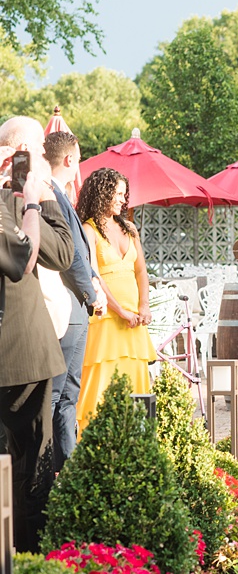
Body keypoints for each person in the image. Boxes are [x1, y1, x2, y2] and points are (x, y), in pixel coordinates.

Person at [0, 116, 74, 552]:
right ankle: (32, 554)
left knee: (17, 461)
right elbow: (41, 255)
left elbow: (61, 252)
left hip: (24, 350)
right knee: (34, 462)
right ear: (19, 149)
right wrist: (37, 199)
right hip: (21, 351)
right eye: (36, 151)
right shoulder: (12, 201)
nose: (42, 159)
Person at [43, 131, 107, 471]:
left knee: (70, 394)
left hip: (78, 308)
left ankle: (67, 469)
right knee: (55, 395)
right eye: (79, 157)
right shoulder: (50, 193)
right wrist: (91, 292)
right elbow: (70, 257)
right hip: (67, 306)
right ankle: (44, 473)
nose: (79, 163)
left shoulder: (62, 194)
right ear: (69, 159)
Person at [76, 168, 157, 434]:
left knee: (136, 386)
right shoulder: (88, 229)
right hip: (107, 322)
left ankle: (136, 442)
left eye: (124, 194)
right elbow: (94, 275)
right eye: (118, 194)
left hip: (134, 323)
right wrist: (120, 310)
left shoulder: (129, 227)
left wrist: (143, 306)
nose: (124, 200)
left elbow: (141, 271)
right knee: (100, 384)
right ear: (103, 193)